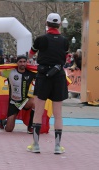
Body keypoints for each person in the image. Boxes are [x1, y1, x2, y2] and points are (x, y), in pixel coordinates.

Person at [27, 13, 69, 154]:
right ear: (59, 24)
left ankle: (36, 144)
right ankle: (57, 146)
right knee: (58, 113)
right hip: (58, 76)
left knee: (38, 111)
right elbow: (66, 57)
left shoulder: (41, 39)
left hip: (43, 76)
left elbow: (31, 54)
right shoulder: (64, 41)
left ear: (47, 23)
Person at [0, 55, 36, 133]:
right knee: (9, 129)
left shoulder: (31, 74)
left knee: (35, 102)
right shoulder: (11, 72)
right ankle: (3, 121)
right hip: (14, 102)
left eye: (24, 62)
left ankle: (31, 126)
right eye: (20, 62)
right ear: (17, 63)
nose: (22, 63)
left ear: (27, 63)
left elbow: (42, 76)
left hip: (24, 101)